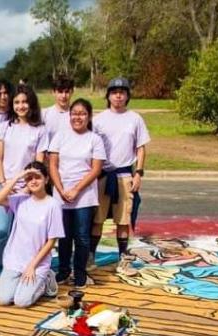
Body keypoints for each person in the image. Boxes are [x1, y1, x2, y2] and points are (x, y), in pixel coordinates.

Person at [91, 77, 150, 276]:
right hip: (103, 175)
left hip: (124, 174)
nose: (118, 96)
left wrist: (139, 173)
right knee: (97, 219)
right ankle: (91, 256)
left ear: (127, 96)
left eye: (122, 92)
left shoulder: (135, 119)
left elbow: (141, 149)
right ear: (108, 95)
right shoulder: (98, 120)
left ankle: (123, 259)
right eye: (114, 92)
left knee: (123, 219)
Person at [48, 98, 106, 287]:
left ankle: (80, 273)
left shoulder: (94, 139)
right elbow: (53, 165)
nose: (77, 117)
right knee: (63, 236)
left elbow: (95, 169)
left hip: (84, 196)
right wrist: (61, 189)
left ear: (89, 116)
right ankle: (64, 271)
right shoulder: (60, 136)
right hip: (62, 194)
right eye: (74, 113)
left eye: (82, 114)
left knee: (81, 236)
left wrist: (76, 190)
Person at [0, 84, 48, 269]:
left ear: (31, 103)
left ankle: (23, 265)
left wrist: (27, 187)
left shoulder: (39, 130)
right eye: (16, 102)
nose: (21, 106)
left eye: (24, 102)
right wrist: (3, 182)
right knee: (1, 231)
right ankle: (3, 266)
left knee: (24, 231)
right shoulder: (3, 127)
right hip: (6, 186)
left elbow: (38, 163)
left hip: (27, 189)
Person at [0, 161, 64, 307]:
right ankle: (23, 282)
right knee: (4, 299)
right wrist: (18, 177)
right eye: (29, 178)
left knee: (22, 302)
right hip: (15, 259)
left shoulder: (53, 205)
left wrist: (32, 266)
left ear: (46, 179)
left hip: (37, 262)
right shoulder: (20, 200)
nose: (33, 181)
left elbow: (51, 241)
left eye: (37, 177)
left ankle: (45, 279)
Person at [42, 75, 73, 140]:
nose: (63, 96)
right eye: (60, 92)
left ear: (72, 92)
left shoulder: (77, 115)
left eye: (67, 92)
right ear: (53, 92)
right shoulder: (44, 115)